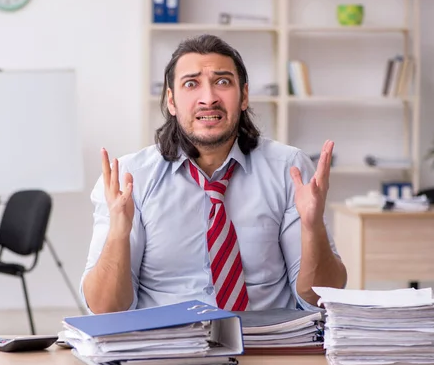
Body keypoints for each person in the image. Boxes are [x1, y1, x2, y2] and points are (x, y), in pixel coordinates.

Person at [80, 34, 347, 315]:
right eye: (191, 84)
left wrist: (312, 227)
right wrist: (119, 234)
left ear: (244, 96)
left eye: (222, 82)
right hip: (167, 349)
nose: (208, 99)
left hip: (267, 344)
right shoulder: (130, 178)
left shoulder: (288, 169)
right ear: (171, 101)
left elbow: (319, 299)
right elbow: (105, 309)